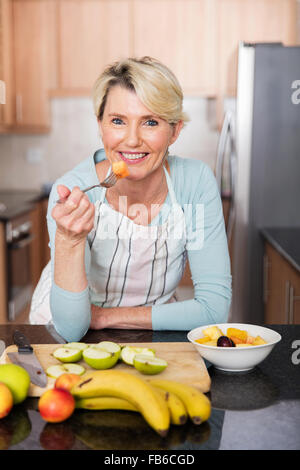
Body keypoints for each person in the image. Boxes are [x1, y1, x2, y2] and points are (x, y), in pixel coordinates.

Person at [29, 56, 232, 342]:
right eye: (117, 121)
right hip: (65, 330)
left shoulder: (194, 184)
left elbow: (213, 309)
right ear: (100, 126)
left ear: (174, 131)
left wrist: (105, 317)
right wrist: (69, 240)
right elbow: (71, 328)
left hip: (152, 328)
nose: (133, 140)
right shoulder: (73, 192)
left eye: (150, 122)